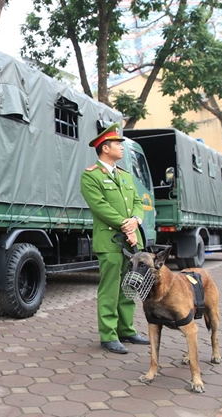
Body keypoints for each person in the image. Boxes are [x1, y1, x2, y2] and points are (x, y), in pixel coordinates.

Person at [80, 123, 149, 354]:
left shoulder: (125, 175)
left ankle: (126, 330)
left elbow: (138, 203)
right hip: (110, 241)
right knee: (110, 288)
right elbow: (100, 207)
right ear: (105, 147)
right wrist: (125, 225)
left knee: (129, 286)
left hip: (131, 240)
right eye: (118, 144)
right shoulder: (90, 176)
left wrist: (136, 221)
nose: (121, 147)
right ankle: (108, 335)